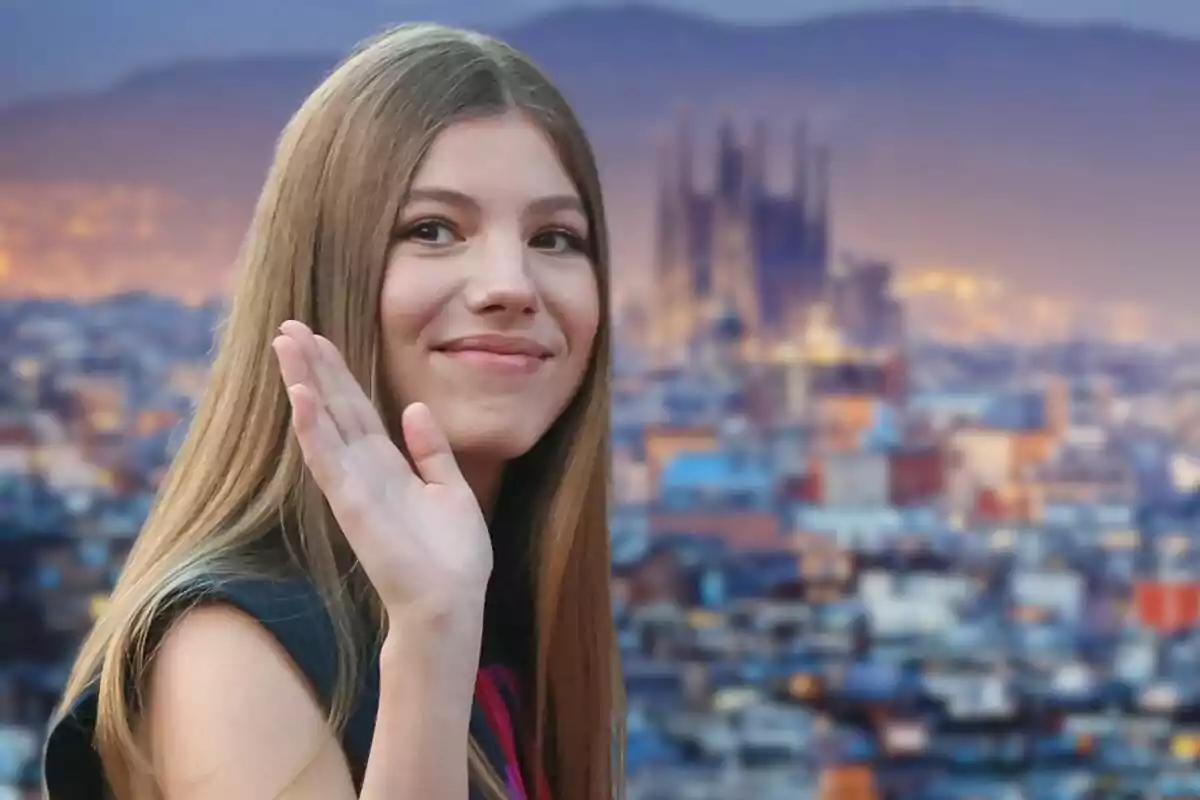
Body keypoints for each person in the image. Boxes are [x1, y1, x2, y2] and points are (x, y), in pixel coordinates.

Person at [42, 21, 624, 800]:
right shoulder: (231, 653)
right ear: (325, 275)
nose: (511, 284)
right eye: (432, 230)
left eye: (555, 237)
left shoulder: (521, 627)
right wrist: (430, 641)